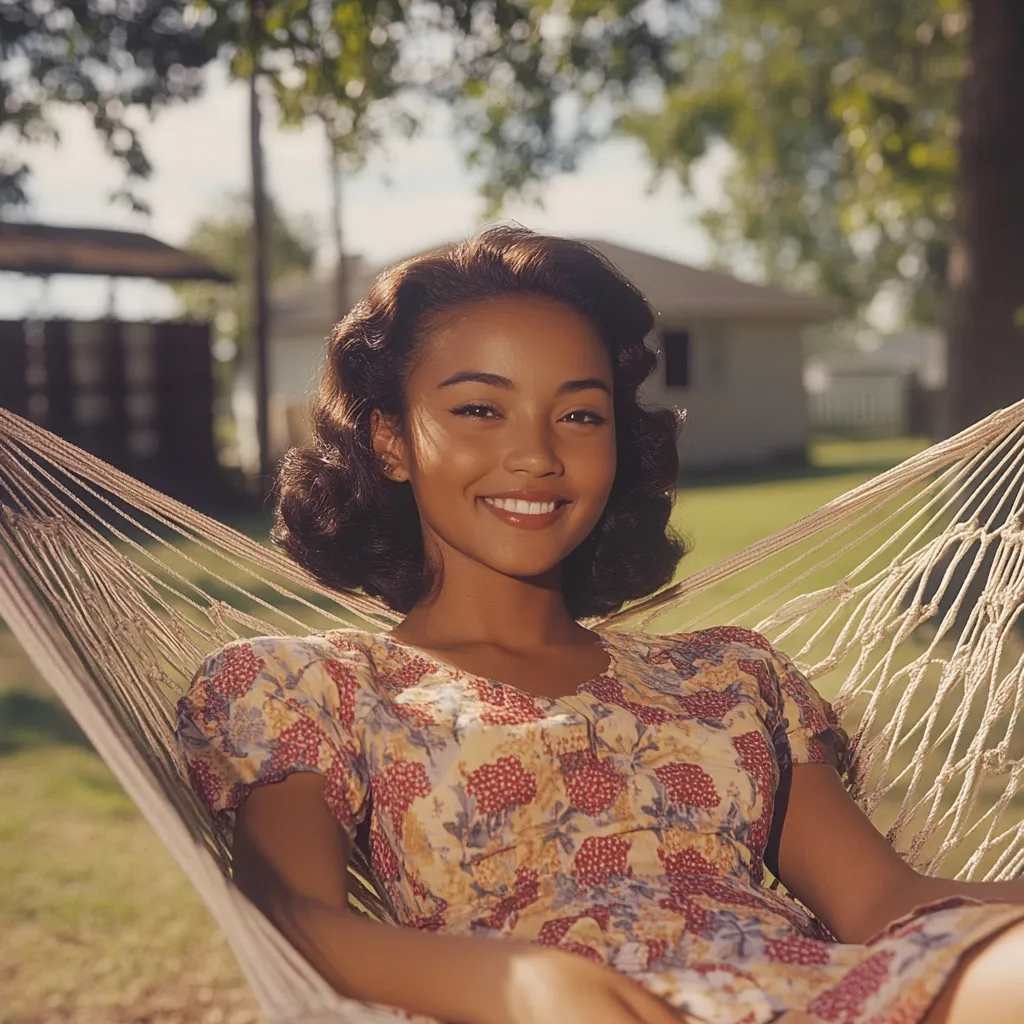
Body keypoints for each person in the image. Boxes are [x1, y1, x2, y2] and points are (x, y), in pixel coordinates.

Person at [176, 226, 1024, 1024]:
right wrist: (523, 983)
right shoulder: (311, 686)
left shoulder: (729, 676)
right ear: (391, 439)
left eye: (580, 414)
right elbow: (288, 917)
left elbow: (882, 903)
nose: (538, 454)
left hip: (820, 996)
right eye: (479, 410)